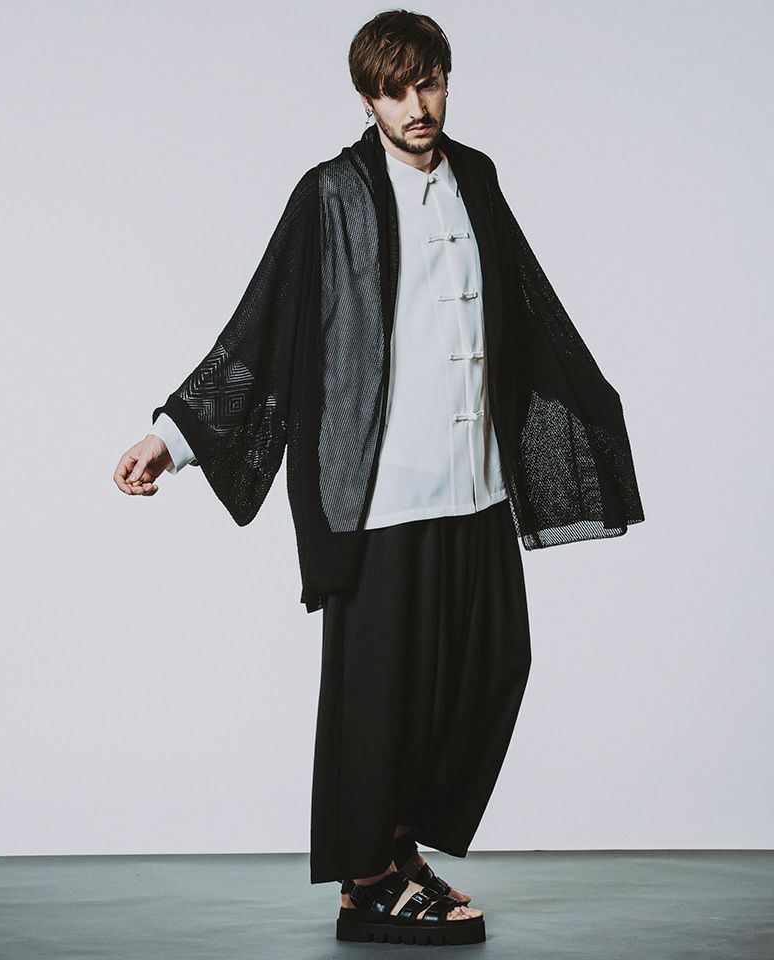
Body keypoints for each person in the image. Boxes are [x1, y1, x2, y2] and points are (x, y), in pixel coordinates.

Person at [113, 10, 644, 947]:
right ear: (367, 99)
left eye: (428, 83)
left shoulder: (477, 177)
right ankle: (367, 881)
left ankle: (399, 852)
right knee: (379, 697)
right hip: (380, 492)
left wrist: (588, 407)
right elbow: (264, 324)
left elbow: (525, 306)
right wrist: (173, 437)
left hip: (475, 483)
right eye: (395, 91)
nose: (416, 105)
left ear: (446, 80)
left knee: (490, 666)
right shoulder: (331, 195)